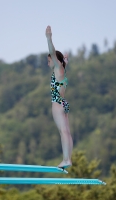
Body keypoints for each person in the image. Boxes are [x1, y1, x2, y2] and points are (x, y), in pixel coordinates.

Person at [45, 25, 73, 168]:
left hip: (57, 103)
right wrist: (65, 62)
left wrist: (49, 38)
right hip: (64, 103)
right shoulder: (62, 71)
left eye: (49, 60)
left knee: (63, 132)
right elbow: (62, 63)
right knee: (66, 131)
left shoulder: (57, 68)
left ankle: (66, 160)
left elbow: (52, 53)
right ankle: (68, 159)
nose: (48, 62)